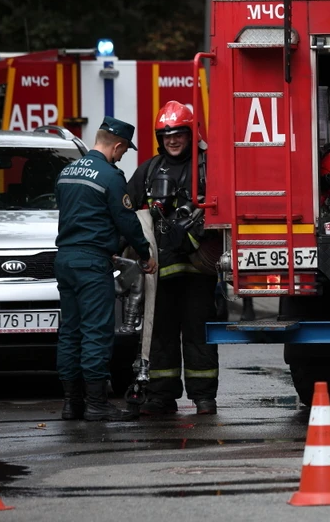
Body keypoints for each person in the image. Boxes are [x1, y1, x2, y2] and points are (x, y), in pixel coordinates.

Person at [55, 117, 157, 422]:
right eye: (124, 151)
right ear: (118, 145)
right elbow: (126, 221)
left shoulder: (66, 171)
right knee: (96, 333)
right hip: (91, 263)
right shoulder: (111, 176)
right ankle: (97, 405)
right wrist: (144, 254)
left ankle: (71, 404)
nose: (122, 156)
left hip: (65, 259)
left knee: (70, 333)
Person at [126, 101, 220, 416]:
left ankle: (204, 397)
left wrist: (196, 230)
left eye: (178, 134)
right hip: (159, 273)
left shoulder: (209, 168)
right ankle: (160, 397)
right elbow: (128, 215)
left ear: (191, 134)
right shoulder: (149, 170)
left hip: (198, 273)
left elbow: (222, 214)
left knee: (199, 336)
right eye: (166, 136)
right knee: (159, 336)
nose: (172, 141)